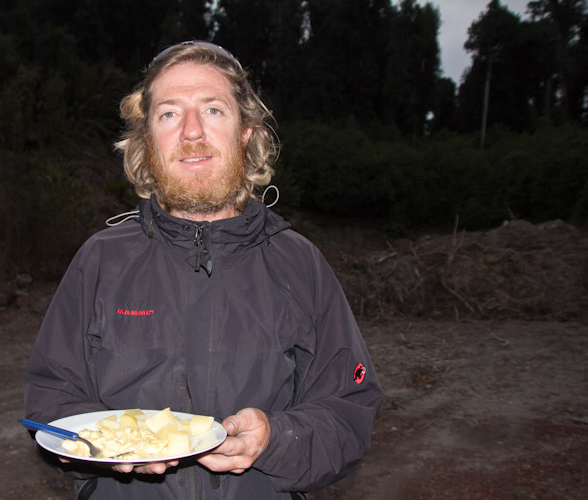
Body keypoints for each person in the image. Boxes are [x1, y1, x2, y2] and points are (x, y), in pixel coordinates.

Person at [23, 40, 382, 500]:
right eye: (169, 114)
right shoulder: (100, 260)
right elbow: (51, 397)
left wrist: (277, 438)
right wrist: (99, 446)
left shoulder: (299, 263)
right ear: (147, 140)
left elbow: (349, 412)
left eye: (212, 110)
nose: (191, 132)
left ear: (246, 133)